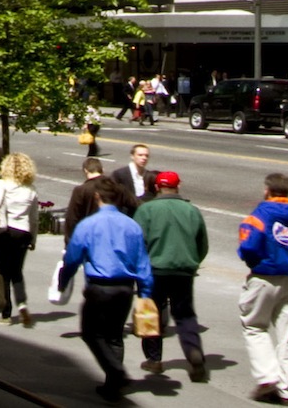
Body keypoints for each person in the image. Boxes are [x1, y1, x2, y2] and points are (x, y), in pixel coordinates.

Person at [61, 185, 154, 402]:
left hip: (99, 286)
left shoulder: (89, 224)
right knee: (114, 335)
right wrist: (146, 292)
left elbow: (73, 257)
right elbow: (142, 261)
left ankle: (116, 372)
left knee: (90, 333)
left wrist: (64, 280)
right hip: (124, 287)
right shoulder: (131, 226)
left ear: (97, 197)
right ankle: (113, 387)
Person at [236, 169, 288, 405]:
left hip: (264, 278)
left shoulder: (260, 214)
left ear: (267, 191)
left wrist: (254, 261)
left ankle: (268, 376)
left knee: (254, 326)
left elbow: (249, 245)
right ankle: (287, 390)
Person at [134, 169, 209, 383]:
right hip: (183, 270)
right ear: (178, 186)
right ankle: (194, 353)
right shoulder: (191, 210)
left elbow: (138, 242)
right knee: (185, 315)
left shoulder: (146, 210)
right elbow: (202, 244)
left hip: (154, 270)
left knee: (150, 314)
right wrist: (192, 262)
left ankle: (154, 358)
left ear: (157, 187)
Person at [0, 149, 40, 328]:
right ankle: (23, 304)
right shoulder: (31, 190)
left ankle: (6, 313)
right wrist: (33, 239)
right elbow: (34, 218)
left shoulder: (2, 184)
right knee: (17, 272)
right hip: (23, 232)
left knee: (2, 273)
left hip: (4, 231)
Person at [52, 159, 109, 305]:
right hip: (111, 238)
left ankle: (95, 305)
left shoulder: (81, 190)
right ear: (101, 170)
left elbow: (72, 219)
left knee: (92, 275)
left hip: (89, 240)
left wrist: (68, 244)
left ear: (85, 171)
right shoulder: (114, 187)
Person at [109, 143, 153, 210]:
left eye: (146, 156)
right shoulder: (119, 174)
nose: (144, 158)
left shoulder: (150, 175)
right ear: (132, 156)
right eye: (140, 155)